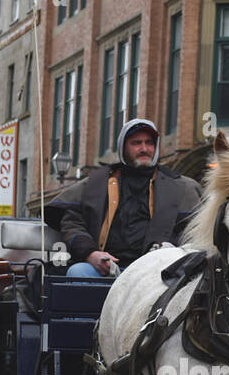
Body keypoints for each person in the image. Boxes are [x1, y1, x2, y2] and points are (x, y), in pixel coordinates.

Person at [44, 118, 202, 278]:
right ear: (122, 147)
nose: (144, 149)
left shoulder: (181, 187)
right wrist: (91, 254)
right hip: (105, 270)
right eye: (136, 143)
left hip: (155, 272)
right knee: (77, 272)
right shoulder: (96, 182)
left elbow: (192, 231)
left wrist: (169, 248)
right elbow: (72, 223)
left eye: (149, 143)